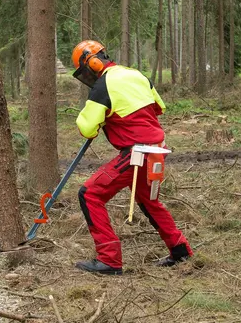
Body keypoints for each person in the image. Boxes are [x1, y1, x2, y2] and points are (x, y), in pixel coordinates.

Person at [72, 40, 193, 275]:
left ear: (93, 63)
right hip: (157, 149)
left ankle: (109, 260)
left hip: (137, 152)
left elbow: (87, 128)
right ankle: (180, 250)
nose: (86, 76)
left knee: (89, 194)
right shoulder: (136, 74)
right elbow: (158, 107)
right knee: (150, 201)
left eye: (84, 70)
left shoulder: (103, 85)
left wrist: (105, 115)